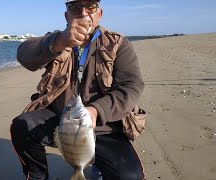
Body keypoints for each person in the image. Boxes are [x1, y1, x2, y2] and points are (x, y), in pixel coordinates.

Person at [10, 0, 145, 179]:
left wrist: (97, 111)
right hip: (61, 119)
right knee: (22, 126)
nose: (83, 13)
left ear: (99, 14)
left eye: (90, 6)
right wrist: (58, 42)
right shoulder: (56, 40)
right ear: (67, 16)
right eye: (75, 8)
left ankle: (96, 161)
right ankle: (37, 176)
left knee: (130, 176)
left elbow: (131, 87)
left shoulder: (118, 43)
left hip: (105, 126)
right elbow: (24, 55)